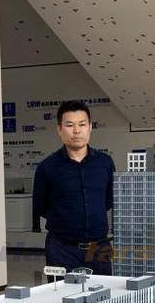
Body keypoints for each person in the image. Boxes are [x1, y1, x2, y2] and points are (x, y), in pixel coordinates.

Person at [32, 100, 115, 275]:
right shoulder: (47, 167)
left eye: (82, 124)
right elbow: (41, 206)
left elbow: (108, 201)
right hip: (62, 249)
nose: (76, 131)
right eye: (69, 125)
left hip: (98, 248)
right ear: (59, 129)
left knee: (103, 292)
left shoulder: (105, 163)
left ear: (90, 127)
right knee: (61, 293)